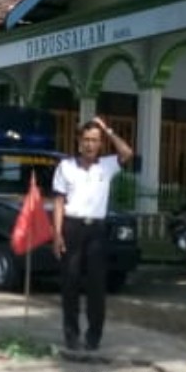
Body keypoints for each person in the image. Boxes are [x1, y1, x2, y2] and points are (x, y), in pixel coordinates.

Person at [51, 115, 135, 352]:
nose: (90, 144)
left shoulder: (107, 165)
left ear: (100, 144)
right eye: (86, 139)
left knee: (97, 286)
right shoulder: (66, 167)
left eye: (95, 140)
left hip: (96, 230)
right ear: (79, 141)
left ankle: (93, 336)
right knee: (70, 282)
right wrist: (57, 234)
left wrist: (107, 129)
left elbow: (127, 153)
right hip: (72, 227)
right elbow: (58, 201)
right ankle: (71, 335)